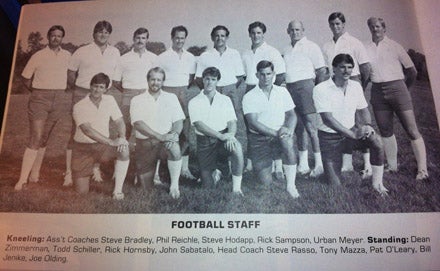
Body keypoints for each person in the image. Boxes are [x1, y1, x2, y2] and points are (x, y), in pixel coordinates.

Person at [313, 54, 388, 195]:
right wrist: (352, 134)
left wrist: (367, 126)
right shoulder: (320, 89)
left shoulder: (356, 86)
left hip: (350, 134)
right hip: (330, 139)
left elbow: (363, 110)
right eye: (342, 67)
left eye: (349, 67)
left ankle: (377, 184)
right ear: (333, 69)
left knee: (376, 140)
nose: (346, 71)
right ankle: (328, 169)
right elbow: (327, 119)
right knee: (335, 187)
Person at [365, 17, 428, 180]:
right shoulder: (367, 48)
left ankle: (422, 170)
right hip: (378, 90)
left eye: (378, 26)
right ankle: (392, 166)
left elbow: (412, 71)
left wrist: (404, 89)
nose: (375, 29)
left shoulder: (395, 46)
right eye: (372, 27)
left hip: (398, 88)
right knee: (385, 130)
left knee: (411, 129)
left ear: (384, 28)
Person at [14, 25, 71, 190]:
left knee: (44, 138)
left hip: (59, 98)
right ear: (48, 37)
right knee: (36, 136)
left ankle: (35, 175)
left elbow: (73, 74)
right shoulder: (38, 55)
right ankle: (22, 180)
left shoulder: (68, 55)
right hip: (40, 97)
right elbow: (25, 78)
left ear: (62, 38)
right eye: (53, 35)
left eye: (59, 36)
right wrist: (36, 92)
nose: (56, 38)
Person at [65, 20, 120, 186]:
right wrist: (81, 89)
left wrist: (105, 91)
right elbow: (70, 73)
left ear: (109, 34)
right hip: (82, 92)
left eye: (106, 32)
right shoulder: (82, 50)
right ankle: (68, 171)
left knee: (101, 130)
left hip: (104, 94)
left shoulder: (115, 52)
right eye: (99, 31)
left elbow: (115, 75)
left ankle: (95, 167)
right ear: (94, 33)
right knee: (77, 132)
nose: (103, 35)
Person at [322, 12, 372, 175]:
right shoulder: (327, 45)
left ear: (343, 25)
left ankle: (367, 164)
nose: (335, 27)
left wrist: (360, 87)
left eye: (338, 24)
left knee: (360, 124)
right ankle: (347, 163)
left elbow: (365, 68)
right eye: (332, 24)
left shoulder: (354, 42)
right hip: (335, 85)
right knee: (344, 122)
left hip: (353, 82)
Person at [242, 60, 299, 199]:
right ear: (256, 75)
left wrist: (289, 130)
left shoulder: (282, 91)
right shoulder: (249, 96)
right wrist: (276, 134)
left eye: (269, 74)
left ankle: (291, 185)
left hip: (281, 135)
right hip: (259, 139)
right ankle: (272, 164)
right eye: (262, 74)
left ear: (273, 74)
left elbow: (292, 114)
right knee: (265, 182)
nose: (266, 77)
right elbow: (253, 123)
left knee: (287, 141)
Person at [71, 73, 129, 199]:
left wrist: (122, 137)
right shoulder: (79, 105)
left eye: (101, 87)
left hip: (102, 147)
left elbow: (119, 121)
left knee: (124, 148)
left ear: (106, 89)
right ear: (90, 86)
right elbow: (87, 130)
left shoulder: (110, 100)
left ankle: (117, 192)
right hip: (83, 149)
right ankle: (88, 169)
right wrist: (111, 142)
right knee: (81, 193)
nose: (97, 90)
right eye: (95, 86)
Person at [130, 67, 184, 199]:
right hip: (146, 143)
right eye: (153, 79)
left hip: (165, 142)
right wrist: (160, 136)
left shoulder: (171, 98)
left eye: (159, 80)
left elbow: (178, 121)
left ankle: (174, 186)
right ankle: (143, 172)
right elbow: (138, 124)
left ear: (163, 82)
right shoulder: (137, 99)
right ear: (147, 80)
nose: (155, 83)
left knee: (175, 149)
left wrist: (174, 135)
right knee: (146, 189)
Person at [188, 67, 244, 194]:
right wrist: (220, 136)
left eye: (213, 79)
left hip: (223, 139)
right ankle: (216, 169)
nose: (209, 82)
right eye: (207, 79)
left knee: (237, 147)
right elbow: (199, 125)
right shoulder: (194, 101)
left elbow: (232, 121)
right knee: (208, 186)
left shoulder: (225, 99)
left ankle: (236, 188)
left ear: (217, 81)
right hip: (205, 143)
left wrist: (230, 135)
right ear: (203, 80)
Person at [283, 20, 326, 178]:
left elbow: (321, 71)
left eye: (298, 29)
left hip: (306, 87)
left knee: (311, 127)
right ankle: (303, 164)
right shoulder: (286, 49)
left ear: (303, 30)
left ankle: (319, 164)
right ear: (288, 31)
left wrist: (316, 91)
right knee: (298, 127)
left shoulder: (312, 46)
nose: (295, 32)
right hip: (290, 89)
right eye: (292, 30)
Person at [242, 21, 286, 177]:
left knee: (273, 125)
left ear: (263, 34)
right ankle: (250, 161)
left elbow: (280, 75)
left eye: (259, 33)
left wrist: (272, 92)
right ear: (249, 34)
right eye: (253, 33)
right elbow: (242, 75)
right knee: (252, 128)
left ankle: (278, 165)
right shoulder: (246, 53)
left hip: (269, 91)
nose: (256, 36)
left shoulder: (272, 51)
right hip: (251, 91)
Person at [157, 25, 197, 180]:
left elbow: (191, 78)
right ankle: (160, 167)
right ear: (172, 38)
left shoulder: (190, 57)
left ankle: (184, 169)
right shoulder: (162, 57)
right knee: (165, 129)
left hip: (183, 93)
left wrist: (182, 92)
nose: (179, 40)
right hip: (167, 92)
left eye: (182, 38)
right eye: (177, 38)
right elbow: (156, 77)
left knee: (185, 131)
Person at [113, 27, 157, 139]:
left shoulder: (154, 58)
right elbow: (116, 81)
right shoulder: (123, 58)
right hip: (128, 95)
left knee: (148, 124)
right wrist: (127, 91)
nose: (140, 41)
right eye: (138, 38)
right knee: (125, 126)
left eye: (143, 38)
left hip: (146, 94)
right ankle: (122, 153)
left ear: (147, 40)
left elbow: (157, 79)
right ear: (133, 39)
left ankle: (145, 153)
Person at [195, 25, 244, 112]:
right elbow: (199, 78)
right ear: (212, 38)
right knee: (213, 116)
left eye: (222, 36)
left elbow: (240, 77)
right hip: (212, 90)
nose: (219, 38)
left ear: (227, 37)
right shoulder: (205, 55)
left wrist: (230, 87)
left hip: (230, 90)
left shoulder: (234, 53)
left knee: (231, 117)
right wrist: (209, 89)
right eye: (217, 36)